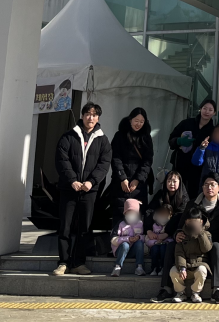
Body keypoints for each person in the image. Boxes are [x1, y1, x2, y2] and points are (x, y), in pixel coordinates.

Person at [52, 102, 111, 277]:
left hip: (89, 191)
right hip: (69, 189)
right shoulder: (69, 136)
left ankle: (78, 262)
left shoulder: (103, 140)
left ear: (98, 118)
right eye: (88, 114)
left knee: (85, 228)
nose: (90, 117)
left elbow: (104, 164)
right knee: (65, 226)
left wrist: (91, 182)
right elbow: (61, 160)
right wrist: (72, 180)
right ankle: (63, 262)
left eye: (94, 115)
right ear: (82, 116)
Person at [148, 171, 192, 302]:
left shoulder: (184, 198)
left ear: (180, 183)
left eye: (174, 181)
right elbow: (149, 211)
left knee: (170, 246)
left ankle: (170, 287)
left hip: (177, 234)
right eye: (169, 180)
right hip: (158, 233)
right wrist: (148, 230)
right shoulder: (160, 195)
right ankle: (166, 288)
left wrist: (167, 232)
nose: (171, 183)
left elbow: (180, 217)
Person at [193, 174, 219, 303]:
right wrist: (178, 234)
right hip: (196, 242)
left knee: (216, 246)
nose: (209, 187)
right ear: (202, 187)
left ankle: (216, 290)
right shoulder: (193, 205)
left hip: (215, 245)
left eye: (212, 184)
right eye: (206, 184)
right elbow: (182, 225)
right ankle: (166, 289)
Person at [169, 98, 218, 196]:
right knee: (177, 192)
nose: (207, 112)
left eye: (210, 110)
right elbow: (171, 140)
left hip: (198, 169)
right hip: (180, 165)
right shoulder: (186, 123)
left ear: (214, 113)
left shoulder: (213, 131)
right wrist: (179, 141)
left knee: (194, 194)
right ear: (200, 108)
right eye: (205, 108)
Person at [110, 107, 154, 205]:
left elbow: (148, 160)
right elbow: (115, 157)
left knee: (137, 211)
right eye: (136, 121)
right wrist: (122, 178)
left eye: (142, 122)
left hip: (139, 184)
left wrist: (138, 179)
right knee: (119, 210)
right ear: (130, 120)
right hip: (120, 181)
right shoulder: (120, 135)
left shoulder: (146, 138)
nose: (138, 124)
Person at [170, 207, 214, 303]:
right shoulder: (181, 235)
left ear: (201, 221)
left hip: (199, 264)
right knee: (173, 271)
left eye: (196, 221)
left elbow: (206, 248)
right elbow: (179, 253)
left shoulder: (206, 234)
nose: (193, 224)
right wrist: (182, 267)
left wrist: (200, 233)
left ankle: (196, 293)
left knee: (202, 270)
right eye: (190, 221)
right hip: (186, 266)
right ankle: (181, 293)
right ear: (186, 222)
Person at [112, 198, 145, 275]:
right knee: (125, 245)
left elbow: (144, 237)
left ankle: (139, 267)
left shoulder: (140, 223)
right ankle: (117, 266)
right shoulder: (120, 224)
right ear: (125, 213)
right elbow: (114, 239)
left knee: (140, 243)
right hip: (121, 250)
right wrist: (128, 239)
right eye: (129, 212)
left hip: (133, 250)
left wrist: (139, 237)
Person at [144, 202, 172, 275]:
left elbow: (171, 239)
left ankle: (162, 267)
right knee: (155, 249)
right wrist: (155, 242)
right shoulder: (153, 226)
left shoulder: (169, 227)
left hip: (164, 246)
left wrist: (164, 241)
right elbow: (147, 240)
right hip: (154, 246)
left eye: (166, 215)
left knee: (163, 248)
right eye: (162, 214)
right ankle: (154, 268)